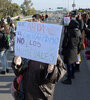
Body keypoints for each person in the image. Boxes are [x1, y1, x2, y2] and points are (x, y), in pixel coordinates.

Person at [11, 14, 66, 100]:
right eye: (31, 24)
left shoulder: (50, 47)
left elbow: (61, 70)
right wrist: (17, 65)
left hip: (42, 94)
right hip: (25, 92)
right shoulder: (24, 46)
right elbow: (18, 72)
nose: (33, 27)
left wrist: (52, 71)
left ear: (41, 24)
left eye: (36, 23)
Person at [61, 11, 81, 85]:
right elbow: (79, 42)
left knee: (69, 65)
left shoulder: (68, 32)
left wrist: (63, 49)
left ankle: (69, 79)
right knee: (73, 64)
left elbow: (64, 43)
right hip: (75, 50)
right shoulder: (78, 32)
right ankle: (72, 75)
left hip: (69, 50)